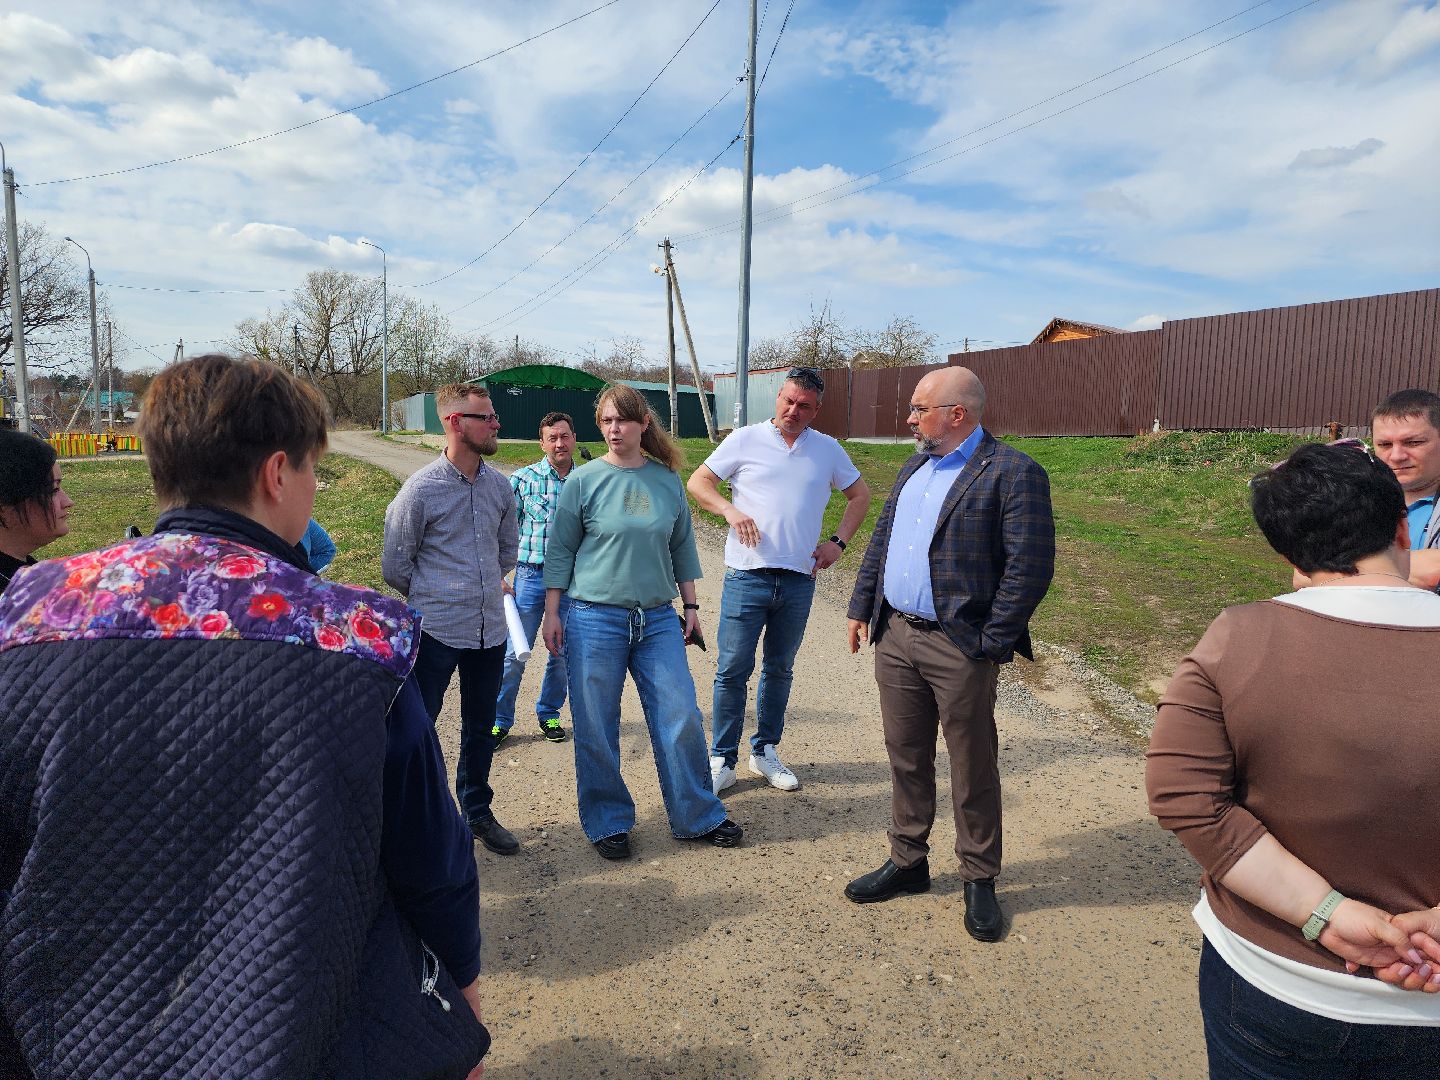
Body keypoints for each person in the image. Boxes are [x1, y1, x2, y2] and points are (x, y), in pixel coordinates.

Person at [0, 355, 488, 1078]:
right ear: (277, 473)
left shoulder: (27, 609)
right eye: (314, 472)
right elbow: (428, 853)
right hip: (308, 1023)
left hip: (70, 1030)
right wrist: (462, 987)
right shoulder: (359, 634)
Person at [1147, 439, 1440, 1077]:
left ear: (1288, 555)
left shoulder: (1239, 635)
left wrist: (1325, 914)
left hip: (1276, 982)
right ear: (1401, 528)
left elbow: (1183, 796)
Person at [843, 366, 1054, 944]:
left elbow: (1029, 568)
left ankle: (980, 876)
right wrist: (863, 606)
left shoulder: (1014, 473)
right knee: (905, 755)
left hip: (959, 645)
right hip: (897, 637)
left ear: (957, 414)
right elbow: (883, 541)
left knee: (971, 764)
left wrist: (988, 642)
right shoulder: (915, 466)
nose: (909, 419)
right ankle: (908, 860)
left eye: (919, 409)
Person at [540, 384, 740, 860]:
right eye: (607, 421)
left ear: (643, 424)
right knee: (595, 725)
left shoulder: (667, 479)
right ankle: (608, 820)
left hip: (656, 620)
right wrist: (552, 612)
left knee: (681, 716)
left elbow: (682, 547)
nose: (614, 429)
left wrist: (691, 610)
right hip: (593, 619)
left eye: (623, 421)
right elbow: (561, 550)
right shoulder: (582, 481)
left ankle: (696, 814)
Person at [688, 366, 869, 794]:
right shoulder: (744, 439)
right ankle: (722, 757)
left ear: (816, 409)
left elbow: (860, 497)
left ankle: (765, 750)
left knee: (779, 669)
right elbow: (699, 482)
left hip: (798, 580)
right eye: (787, 401)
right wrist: (729, 511)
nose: (793, 410)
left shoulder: (827, 449)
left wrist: (838, 543)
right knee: (732, 670)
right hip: (746, 576)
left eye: (803, 405)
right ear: (778, 398)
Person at [383, 382, 520, 856]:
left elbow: (506, 550)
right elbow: (395, 564)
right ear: (454, 422)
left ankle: (477, 812)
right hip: (437, 632)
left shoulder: (500, 486)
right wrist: (437, 598)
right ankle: (414, 819)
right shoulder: (421, 489)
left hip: (490, 632)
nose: (496, 424)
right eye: (486, 417)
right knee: (419, 727)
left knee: (481, 727)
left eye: (494, 416)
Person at [492, 411, 576, 747]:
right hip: (530, 576)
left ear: (573, 439)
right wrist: (498, 574)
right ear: (542, 443)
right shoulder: (523, 480)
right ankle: (498, 720)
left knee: (563, 652)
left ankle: (549, 712)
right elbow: (497, 530)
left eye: (565, 436)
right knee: (514, 653)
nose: (559, 443)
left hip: (572, 581)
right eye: (552, 438)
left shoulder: (586, 482)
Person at [1371, 389, 1440, 589]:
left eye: (1413, 442)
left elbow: (1433, 572)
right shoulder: (1355, 499)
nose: (1397, 456)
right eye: (1385, 444)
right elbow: (1302, 574)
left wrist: (1343, 569)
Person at [0, 428, 74, 596]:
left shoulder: (21, 577)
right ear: (4, 504)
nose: (68, 502)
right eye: (53, 490)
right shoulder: (11, 598)